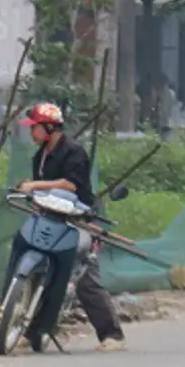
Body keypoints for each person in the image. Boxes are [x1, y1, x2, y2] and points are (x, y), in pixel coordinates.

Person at [11, 102, 127, 351]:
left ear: (50, 127)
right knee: (41, 269)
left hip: (77, 221)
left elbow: (71, 185)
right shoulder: (40, 155)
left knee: (83, 277)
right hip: (50, 218)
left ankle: (112, 335)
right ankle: (33, 332)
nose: (32, 133)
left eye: (35, 128)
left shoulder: (73, 152)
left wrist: (33, 186)